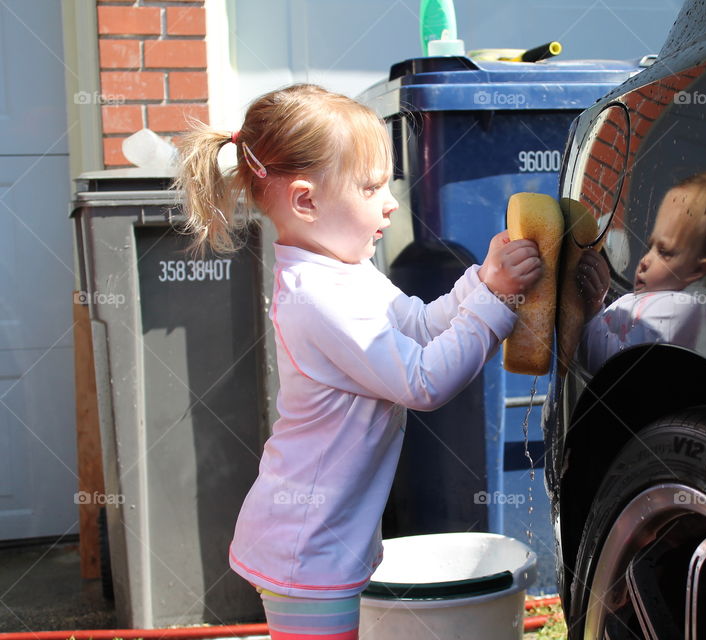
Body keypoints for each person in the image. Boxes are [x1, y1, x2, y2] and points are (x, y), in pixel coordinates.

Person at [174, 83, 541, 640]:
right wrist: (498, 304)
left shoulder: (343, 271)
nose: (391, 201)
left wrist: (483, 283)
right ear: (306, 201)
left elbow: (416, 327)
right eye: (371, 187)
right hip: (308, 544)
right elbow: (422, 381)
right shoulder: (317, 296)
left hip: (328, 535)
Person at [575, 170, 706, 370]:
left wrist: (593, 311)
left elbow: (613, 368)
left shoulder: (679, 309)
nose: (646, 260)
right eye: (650, 247)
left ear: (698, 269)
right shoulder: (654, 300)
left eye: (664, 252)